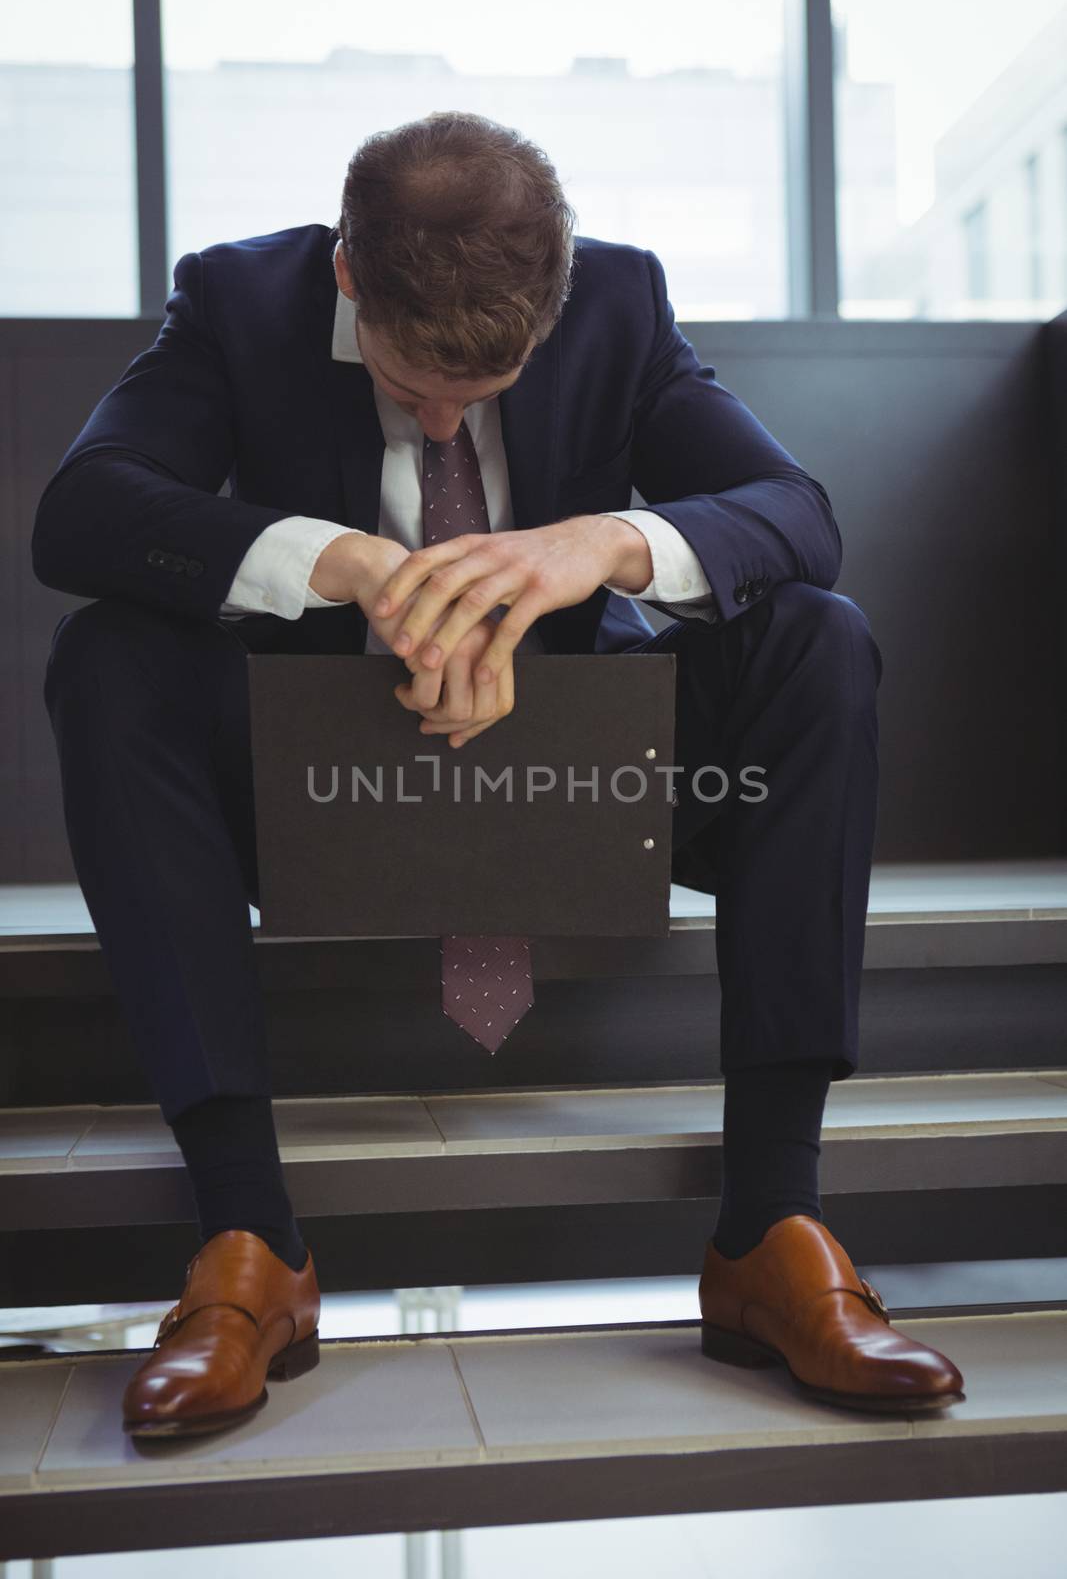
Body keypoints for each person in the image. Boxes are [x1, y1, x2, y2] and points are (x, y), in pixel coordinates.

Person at [32, 110, 964, 1439]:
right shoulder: (240, 299)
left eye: (488, 387)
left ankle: (771, 1223)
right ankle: (250, 1241)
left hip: (583, 780)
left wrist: (598, 546)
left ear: (561, 289)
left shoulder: (620, 301)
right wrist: (340, 559)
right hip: (316, 782)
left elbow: (797, 514)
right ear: (351, 276)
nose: (447, 415)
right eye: (416, 385)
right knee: (109, 659)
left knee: (822, 638)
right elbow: (83, 511)